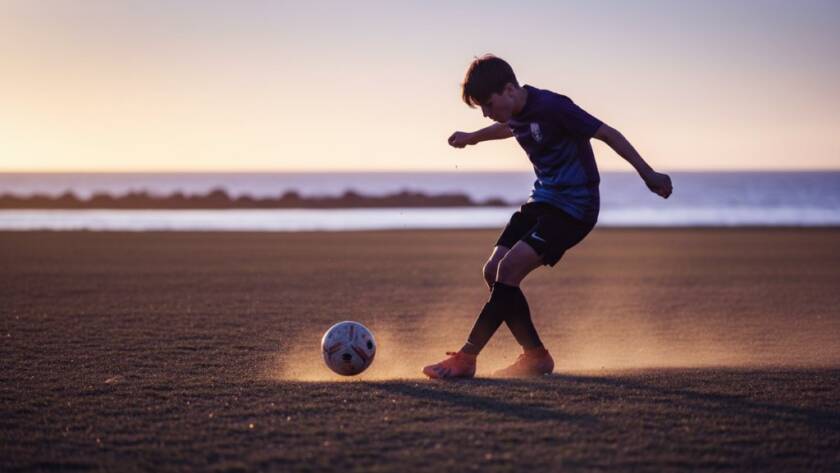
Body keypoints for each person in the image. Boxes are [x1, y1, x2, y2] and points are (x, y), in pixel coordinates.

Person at [422, 54, 672, 379]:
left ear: (510, 89)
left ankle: (467, 357)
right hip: (543, 200)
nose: (486, 111)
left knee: (509, 269)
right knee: (493, 271)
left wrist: (648, 174)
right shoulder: (514, 111)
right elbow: (507, 126)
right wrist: (473, 137)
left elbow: (608, 133)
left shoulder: (554, 107)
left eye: (487, 103)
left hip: (575, 207)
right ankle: (536, 357)